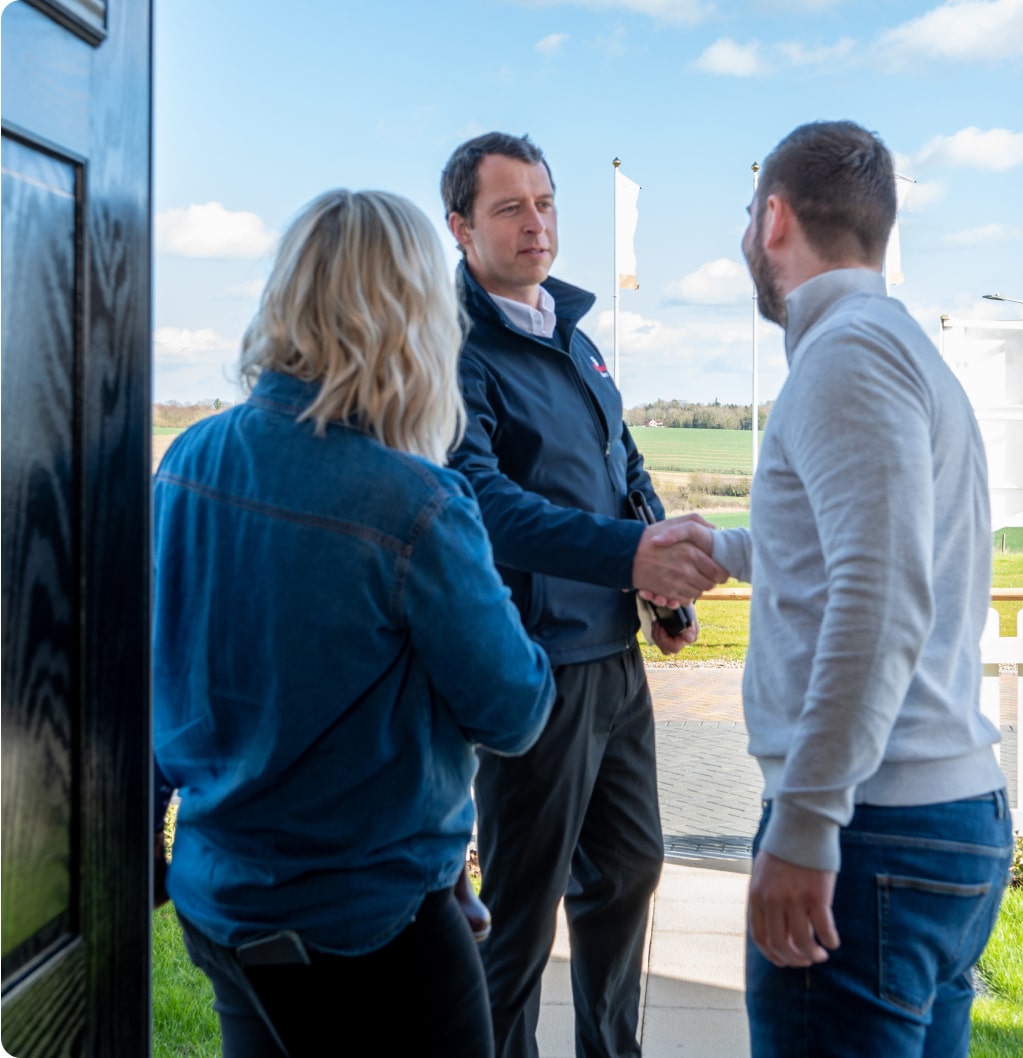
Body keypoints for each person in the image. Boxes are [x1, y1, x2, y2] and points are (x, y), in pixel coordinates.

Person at [152, 188, 556, 1058]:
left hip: (225, 905)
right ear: (411, 318)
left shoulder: (189, 458)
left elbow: (150, 668)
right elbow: (514, 711)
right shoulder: (416, 503)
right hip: (369, 927)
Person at [685, 120, 1012, 1057]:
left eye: (750, 217)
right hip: (923, 832)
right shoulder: (891, 345)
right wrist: (731, 547)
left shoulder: (846, 357)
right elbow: (865, 547)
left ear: (774, 219)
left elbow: (881, 595)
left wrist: (805, 822)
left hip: (874, 831)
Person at [439, 131, 727, 1058]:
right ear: (459, 227)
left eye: (547, 203)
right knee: (519, 913)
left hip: (611, 657)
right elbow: (483, 505)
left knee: (630, 870)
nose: (537, 224)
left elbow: (623, 469)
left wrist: (659, 585)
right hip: (529, 666)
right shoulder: (456, 351)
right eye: (509, 207)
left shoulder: (577, 338)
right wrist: (628, 553)